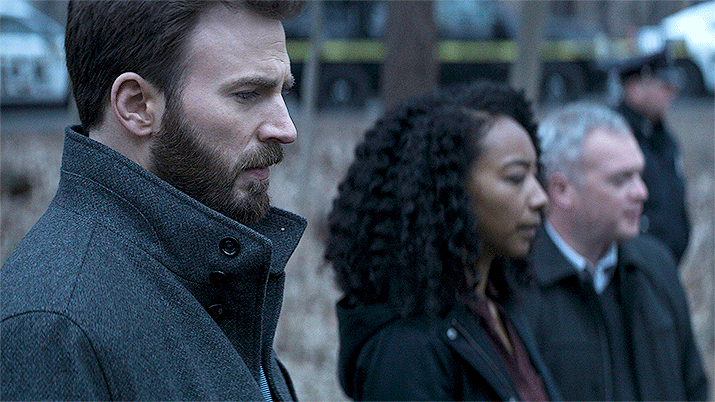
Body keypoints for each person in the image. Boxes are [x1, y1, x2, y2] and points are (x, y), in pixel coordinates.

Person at [1, 1, 306, 400]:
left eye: (282, 92)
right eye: (248, 94)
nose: (286, 128)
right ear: (137, 106)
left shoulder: (211, 274)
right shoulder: (56, 326)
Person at [325, 81, 561, 401]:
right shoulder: (406, 352)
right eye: (516, 178)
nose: (540, 197)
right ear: (448, 190)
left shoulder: (500, 307)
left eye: (536, 174)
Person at [518, 102, 708, 401]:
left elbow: (693, 386)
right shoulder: (519, 286)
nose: (641, 192)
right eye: (621, 180)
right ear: (561, 190)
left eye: (639, 175)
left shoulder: (656, 266)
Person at [615, 51, 690, 263]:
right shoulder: (615, 140)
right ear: (636, 90)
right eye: (664, 86)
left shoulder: (663, 139)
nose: (672, 93)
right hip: (632, 265)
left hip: (666, 264)